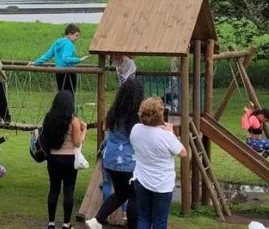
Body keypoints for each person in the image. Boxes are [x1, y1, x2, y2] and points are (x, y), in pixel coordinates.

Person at [86, 78, 143, 229]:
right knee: (134, 195)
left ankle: (97, 220)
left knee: (121, 194)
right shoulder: (135, 117)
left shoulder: (114, 112)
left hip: (110, 160)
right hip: (127, 162)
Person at [130, 97, 187, 229]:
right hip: (162, 184)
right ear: (159, 115)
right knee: (160, 221)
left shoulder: (135, 129)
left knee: (144, 216)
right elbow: (183, 152)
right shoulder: (166, 136)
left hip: (141, 179)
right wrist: (171, 133)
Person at [43, 90, 87, 229]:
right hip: (69, 159)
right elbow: (78, 142)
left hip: (53, 157)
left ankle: (51, 223)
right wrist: (84, 129)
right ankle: (66, 224)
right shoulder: (73, 121)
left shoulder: (48, 118)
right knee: (68, 190)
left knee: (53, 189)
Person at [31, 24, 89, 97]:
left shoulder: (57, 42)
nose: (78, 38)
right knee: (69, 95)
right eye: (76, 35)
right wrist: (79, 59)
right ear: (70, 34)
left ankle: (61, 108)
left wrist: (36, 63)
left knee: (61, 94)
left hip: (59, 72)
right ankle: (69, 108)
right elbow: (66, 59)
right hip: (69, 72)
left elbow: (47, 55)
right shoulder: (69, 44)